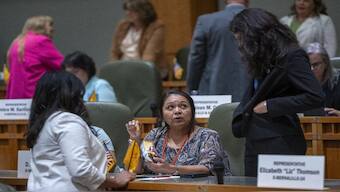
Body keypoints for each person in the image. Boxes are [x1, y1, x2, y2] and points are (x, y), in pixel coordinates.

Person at [230, 8, 324, 177]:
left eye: (242, 39)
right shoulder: (263, 56)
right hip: (255, 139)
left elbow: (315, 96)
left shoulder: (292, 55)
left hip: (280, 141)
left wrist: (270, 105)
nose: (240, 45)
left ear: (255, 34)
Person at [26, 71, 134, 191]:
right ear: (70, 95)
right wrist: (115, 180)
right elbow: (81, 171)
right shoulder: (67, 121)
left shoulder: (44, 122)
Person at [126, 90, 231, 175]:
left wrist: (172, 169)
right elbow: (137, 170)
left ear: (192, 111)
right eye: (170, 107)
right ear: (162, 114)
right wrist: (135, 140)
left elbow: (209, 168)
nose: (177, 111)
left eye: (183, 106)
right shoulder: (154, 135)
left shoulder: (207, 136)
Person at [187, 0, 249, 101]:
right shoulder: (262, 21)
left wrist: (192, 89)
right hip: (252, 92)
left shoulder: (206, 21)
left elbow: (196, 58)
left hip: (213, 91)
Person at [6, 15, 63, 99]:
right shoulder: (40, 41)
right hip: (35, 95)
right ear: (40, 26)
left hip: (16, 97)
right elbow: (62, 65)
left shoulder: (17, 42)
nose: (53, 29)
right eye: (50, 25)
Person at [111, 0, 167, 79]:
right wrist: (115, 70)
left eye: (132, 10)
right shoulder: (122, 25)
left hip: (148, 71)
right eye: (127, 10)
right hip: (124, 70)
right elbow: (114, 52)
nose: (128, 13)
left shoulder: (156, 27)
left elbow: (149, 55)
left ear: (143, 11)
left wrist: (136, 73)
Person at [304, 42, 340, 116]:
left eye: (315, 65)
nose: (311, 69)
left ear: (326, 63)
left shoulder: (338, 81)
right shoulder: (300, 84)